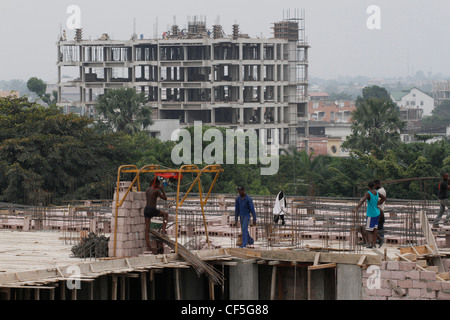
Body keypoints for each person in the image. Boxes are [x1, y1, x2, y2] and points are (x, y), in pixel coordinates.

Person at [353, 181, 386, 249]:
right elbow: (384, 198)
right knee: (375, 229)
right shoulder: (377, 193)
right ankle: (374, 243)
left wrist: (356, 208)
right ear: (374, 186)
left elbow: (362, 201)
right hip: (377, 213)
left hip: (371, 214)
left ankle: (370, 243)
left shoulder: (368, 193)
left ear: (368, 186)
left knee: (368, 230)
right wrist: (378, 203)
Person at [145, 178, 169, 253]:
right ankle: (163, 230)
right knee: (165, 215)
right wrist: (162, 190)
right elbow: (165, 198)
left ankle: (148, 246)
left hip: (146, 210)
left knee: (147, 228)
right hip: (152, 210)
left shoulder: (147, 189)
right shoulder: (156, 191)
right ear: (156, 184)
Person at [374, 180, 386, 247]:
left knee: (378, 226)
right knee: (378, 226)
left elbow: (379, 200)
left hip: (379, 211)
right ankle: (379, 239)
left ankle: (380, 239)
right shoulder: (380, 190)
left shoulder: (380, 191)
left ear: (377, 184)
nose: (374, 187)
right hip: (379, 210)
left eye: (375, 185)